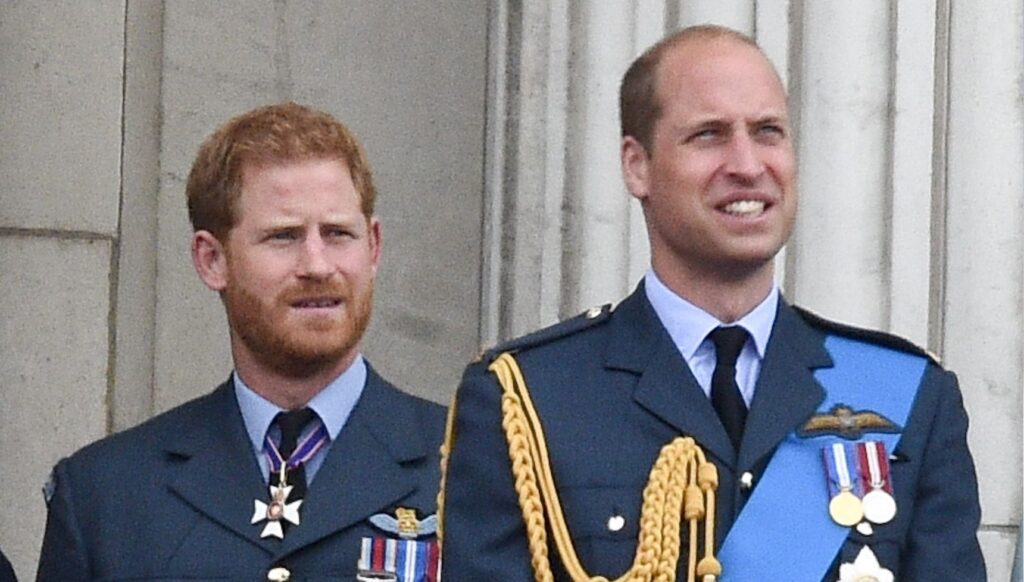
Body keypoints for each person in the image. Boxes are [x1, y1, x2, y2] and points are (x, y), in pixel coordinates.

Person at [439, 25, 985, 581]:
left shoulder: (907, 395)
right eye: (709, 135)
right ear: (637, 165)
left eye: (768, 131)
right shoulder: (529, 400)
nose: (747, 164)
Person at [37, 103, 445, 581]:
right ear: (212, 260)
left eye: (338, 234)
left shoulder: (472, 471)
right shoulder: (105, 496)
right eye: (284, 237)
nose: (317, 265)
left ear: (373, 247)